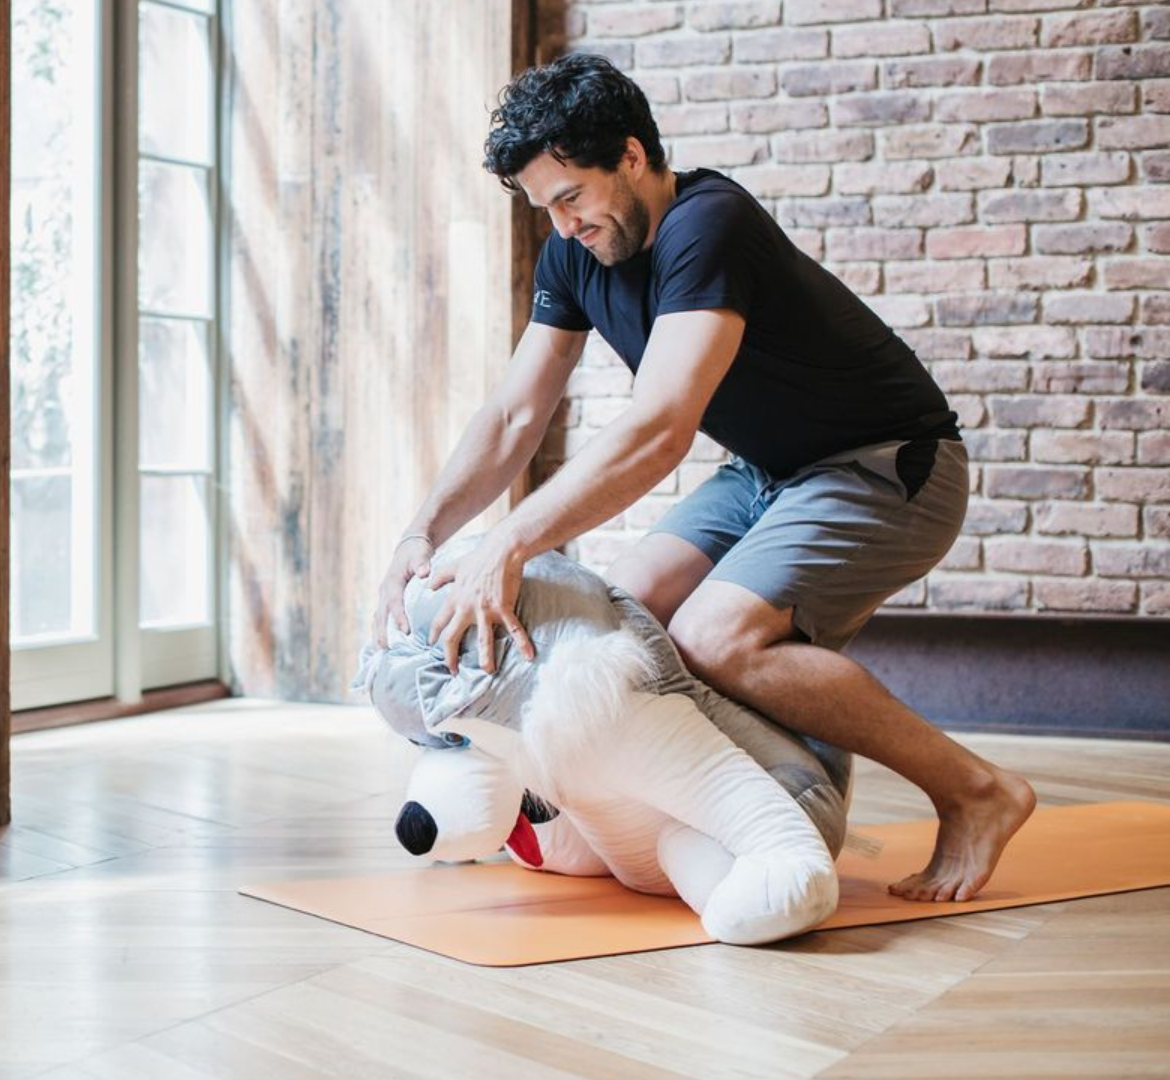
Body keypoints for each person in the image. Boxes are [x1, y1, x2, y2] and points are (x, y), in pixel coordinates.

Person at [370, 52, 1033, 904]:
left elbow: (660, 427)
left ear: (635, 158)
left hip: (888, 463)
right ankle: (682, 805)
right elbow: (510, 416)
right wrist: (421, 532)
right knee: (620, 619)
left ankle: (978, 791)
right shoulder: (574, 255)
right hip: (769, 471)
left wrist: (511, 536)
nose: (563, 226)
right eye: (546, 209)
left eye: (572, 197)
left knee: (718, 639)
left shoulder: (707, 224)